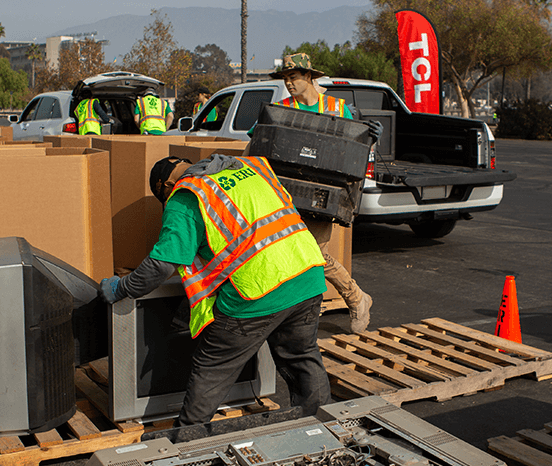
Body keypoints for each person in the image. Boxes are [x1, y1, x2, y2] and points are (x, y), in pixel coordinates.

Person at [99, 153, 332, 428]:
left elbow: (161, 266)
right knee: (302, 356)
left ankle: (188, 439)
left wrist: (120, 287)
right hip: (308, 272)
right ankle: (323, 429)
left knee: (212, 367)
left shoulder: (188, 194)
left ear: (165, 185)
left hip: (258, 290)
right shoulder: (249, 168)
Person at [267, 52, 382, 334]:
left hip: (321, 194)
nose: (289, 83)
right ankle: (301, 307)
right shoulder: (280, 109)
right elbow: (260, 142)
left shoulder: (336, 107)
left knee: (315, 253)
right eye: (285, 78)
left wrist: (369, 136)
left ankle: (357, 299)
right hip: (286, 195)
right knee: (290, 253)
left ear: (309, 77)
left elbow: (352, 145)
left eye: (293, 77)